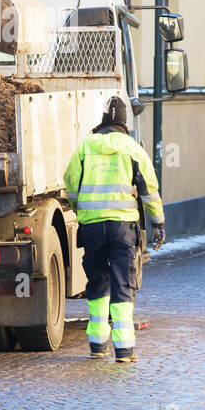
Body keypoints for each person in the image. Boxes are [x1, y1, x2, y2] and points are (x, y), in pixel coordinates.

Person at [62, 95, 165, 364]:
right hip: (122, 228)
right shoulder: (132, 148)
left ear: (103, 121)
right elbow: (149, 190)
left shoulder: (86, 146)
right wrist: (158, 223)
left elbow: (70, 182)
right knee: (122, 282)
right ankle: (124, 350)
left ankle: (97, 345)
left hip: (92, 226)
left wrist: (79, 207)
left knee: (97, 281)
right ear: (124, 123)